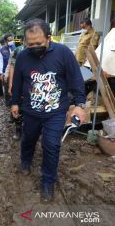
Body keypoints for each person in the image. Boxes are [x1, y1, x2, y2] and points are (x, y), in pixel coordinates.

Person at [11, 19, 86, 203]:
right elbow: (18, 82)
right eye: (30, 44)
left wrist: (79, 105)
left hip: (56, 112)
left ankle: (48, 182)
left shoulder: (63, 53)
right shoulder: (22, 56)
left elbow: (76, 79)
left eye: (39, 43)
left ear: (49, 38)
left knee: (51, 146)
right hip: (31, 111)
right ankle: (26, 160)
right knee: (28, 139)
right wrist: (14, 103)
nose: (34, 47)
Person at [0, 33, 15, 106]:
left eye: (11, 40)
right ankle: (8, 104)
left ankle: (15, 103)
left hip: (15, 71)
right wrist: (1, 73)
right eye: (9, 40)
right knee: (7, 87)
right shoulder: (2, 50)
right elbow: (1, 62)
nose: (11, 41)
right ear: (5, 41)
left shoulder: (15, 47)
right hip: (6, 73)